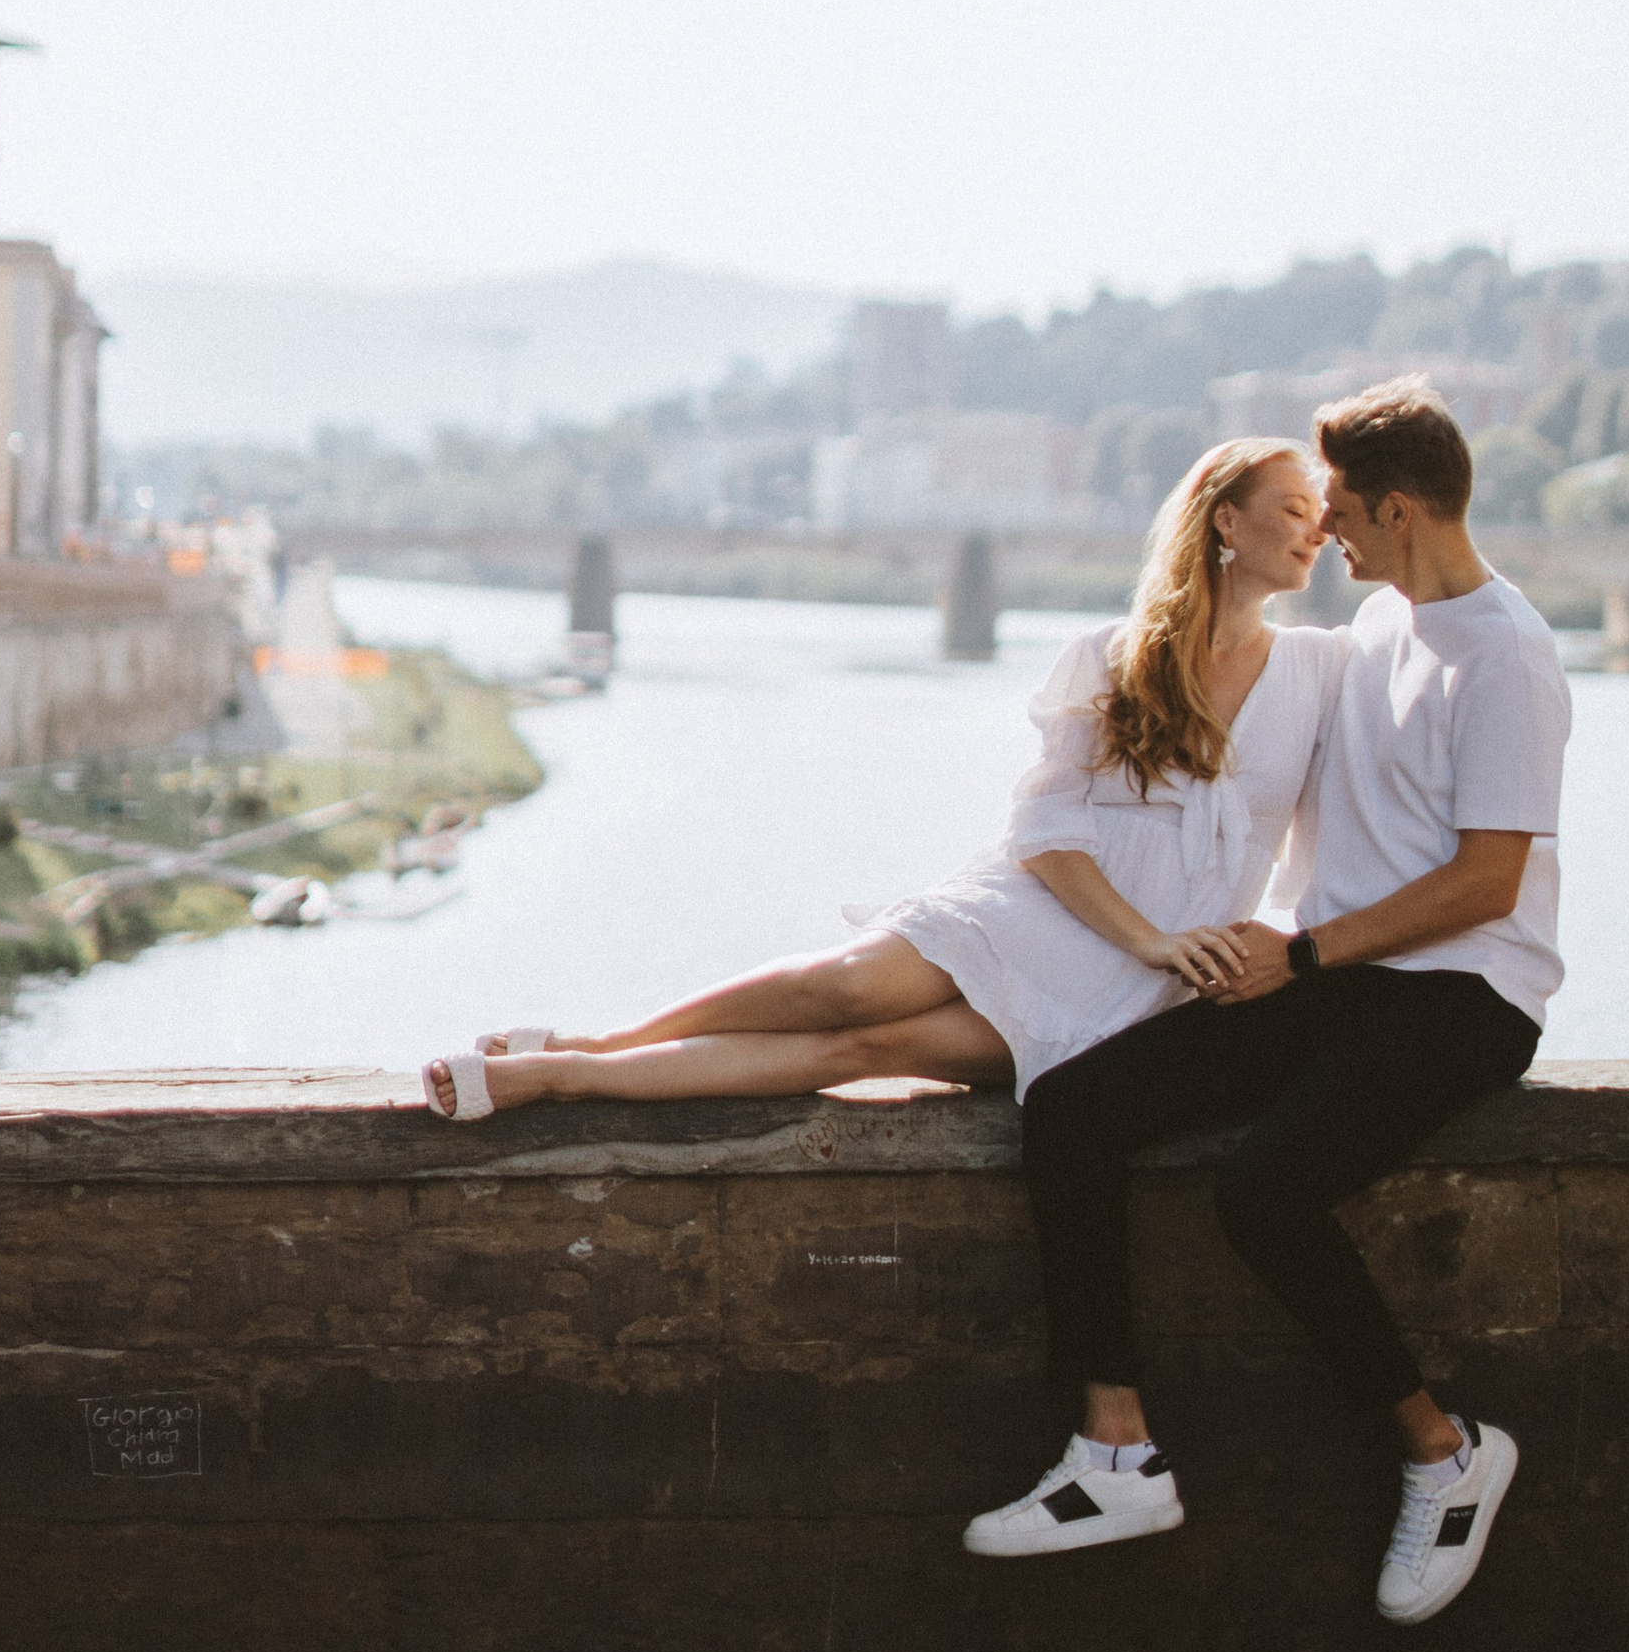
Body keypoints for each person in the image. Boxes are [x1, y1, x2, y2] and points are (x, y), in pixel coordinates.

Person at [963, 377, 1570, 1630]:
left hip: (1462, 995)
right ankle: (1117, 1453)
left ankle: (1442, 1450)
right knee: (1073, 1111)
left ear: (1400, 510)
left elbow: (1485, 880)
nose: (1324, 532)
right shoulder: (1379, 635)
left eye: (1340, 509)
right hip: (1345, 977)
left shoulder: (1506, 654)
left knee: (1264, 1189)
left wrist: (1296, 956)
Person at [420, 437, 1339, 1134]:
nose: (1317, 528)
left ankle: (564, 1075)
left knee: (865, 1050)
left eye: (1322, 512)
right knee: (853, 986)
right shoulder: (1112, 656)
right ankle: (599, 1046)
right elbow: (1049, 829)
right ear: (1226, 519)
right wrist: (1149, 935)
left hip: (1142, 991)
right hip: (1053, 914)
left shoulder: (1320, 673)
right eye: (1294, 507)